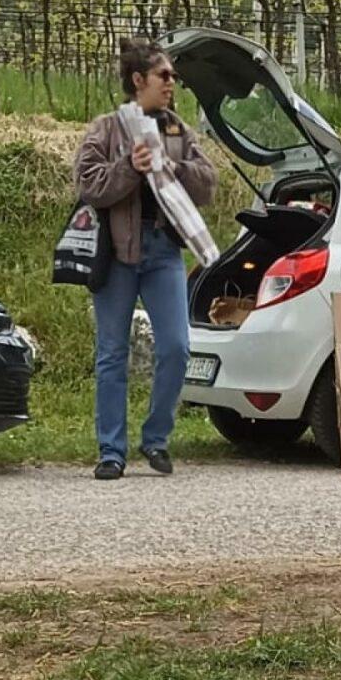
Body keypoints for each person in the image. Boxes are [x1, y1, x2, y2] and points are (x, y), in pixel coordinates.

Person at [74, 35, 214, 479]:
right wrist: (128, 168)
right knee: (112, 353)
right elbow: (89, 186)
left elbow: (208, 183)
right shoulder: (106, 129)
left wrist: (174, 168)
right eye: (164, 75)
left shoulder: (177, 129)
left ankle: (156, 439)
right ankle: (111, 451)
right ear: (139, 80)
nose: (173, 82)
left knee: (177, 347)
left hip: (163, 251)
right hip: (116, 254)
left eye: (173, 75)